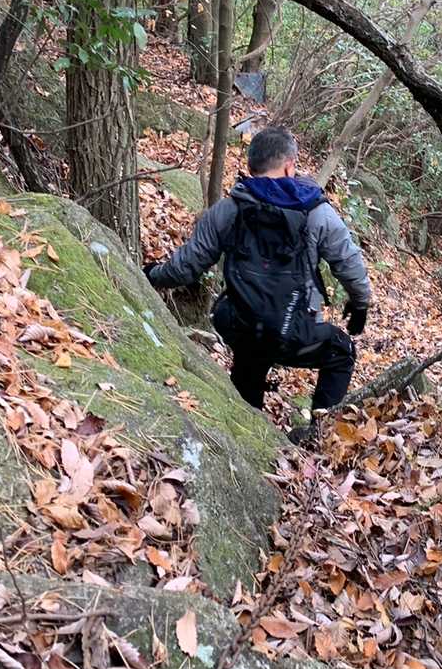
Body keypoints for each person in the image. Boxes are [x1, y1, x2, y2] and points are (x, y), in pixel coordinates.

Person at [143, 125, 371, 444]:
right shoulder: (316, 212)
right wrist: (360, 304)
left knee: (250, 352)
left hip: (239, 326)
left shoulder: (229, 209)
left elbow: (187, 266)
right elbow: (349, 263)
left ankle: (245, 433)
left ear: (251, 167)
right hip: (292, 332)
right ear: (290, 166)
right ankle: (318, 438)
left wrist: (150, 274)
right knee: (341, 351)